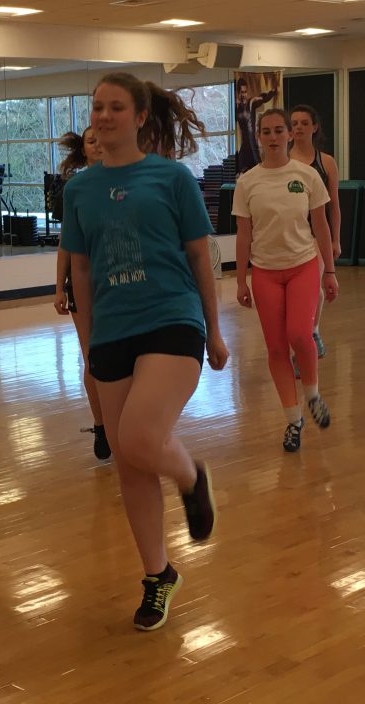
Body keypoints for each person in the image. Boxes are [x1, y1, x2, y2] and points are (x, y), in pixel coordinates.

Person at [60, 72, 228, 632]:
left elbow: (201, 259)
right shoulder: (79, 189)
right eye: (97, 108)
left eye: (115, 108)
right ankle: (159, 575)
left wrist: (216, 330)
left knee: (135, 438)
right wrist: (86, 344)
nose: (103, 116)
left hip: (172, 320)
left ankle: (190, 477)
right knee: (131, 462)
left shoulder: (171, 177)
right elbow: (80, 272)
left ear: (139, 117)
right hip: (111, 330)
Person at [234, 109, 338, 453]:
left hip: (303, 265)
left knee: (299, 332)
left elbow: (320, 225)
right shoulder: (248, 182)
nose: (274, 136)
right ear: (259, 137)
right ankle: (293, 421)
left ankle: (312, 394)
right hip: (265, 272)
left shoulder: (306, 176)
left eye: (280, 130)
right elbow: (243, 234)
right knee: (276, 348)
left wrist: (330, 270)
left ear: (290, 135)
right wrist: (240, 281)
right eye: (267, 131)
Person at [53, 127, 109, 460]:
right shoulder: (77, 190)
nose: (99, 143)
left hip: (118, 280)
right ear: (84, 151)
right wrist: (59, 286)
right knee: (93, 357)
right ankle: (102, 427)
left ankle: (123, 424)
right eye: (91, 141)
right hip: (83, 283)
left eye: (102, 137)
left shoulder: (127, 182)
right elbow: (66, 243)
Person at [289, 105, 341, 362]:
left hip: (317, 234)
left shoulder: (327, 162)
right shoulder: (284, 162)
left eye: (303, 123)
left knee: (313, 285)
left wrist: (335, 239)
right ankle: (303, 336)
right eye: (294, 123)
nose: (298, 127)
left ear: (314, 127)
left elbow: (335, 206)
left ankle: (311, 332)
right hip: (291, 235)